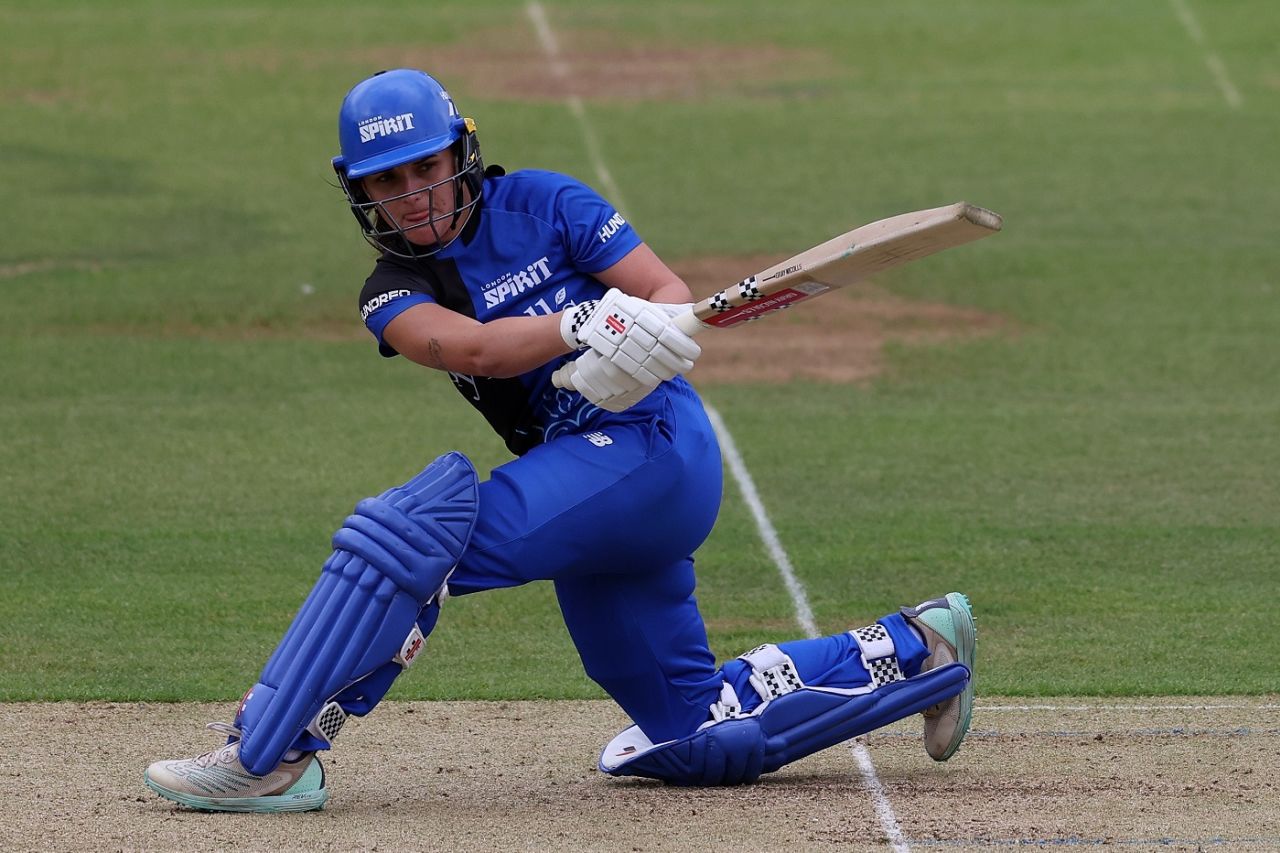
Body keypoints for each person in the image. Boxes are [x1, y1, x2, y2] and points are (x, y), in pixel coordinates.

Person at [143, 69, 976, 813]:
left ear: (461, 153)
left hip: (651, 446)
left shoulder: (546, 201)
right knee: (695, 735)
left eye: (426, 169)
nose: (415, 195)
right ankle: (922, 646)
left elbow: (664, 289)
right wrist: (577, 324)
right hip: (584, 485)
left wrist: (649, 330)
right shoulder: (392, 289)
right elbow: (467, 348)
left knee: (414, 535)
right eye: (388, 181)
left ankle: (273, 750)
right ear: (357, 191)